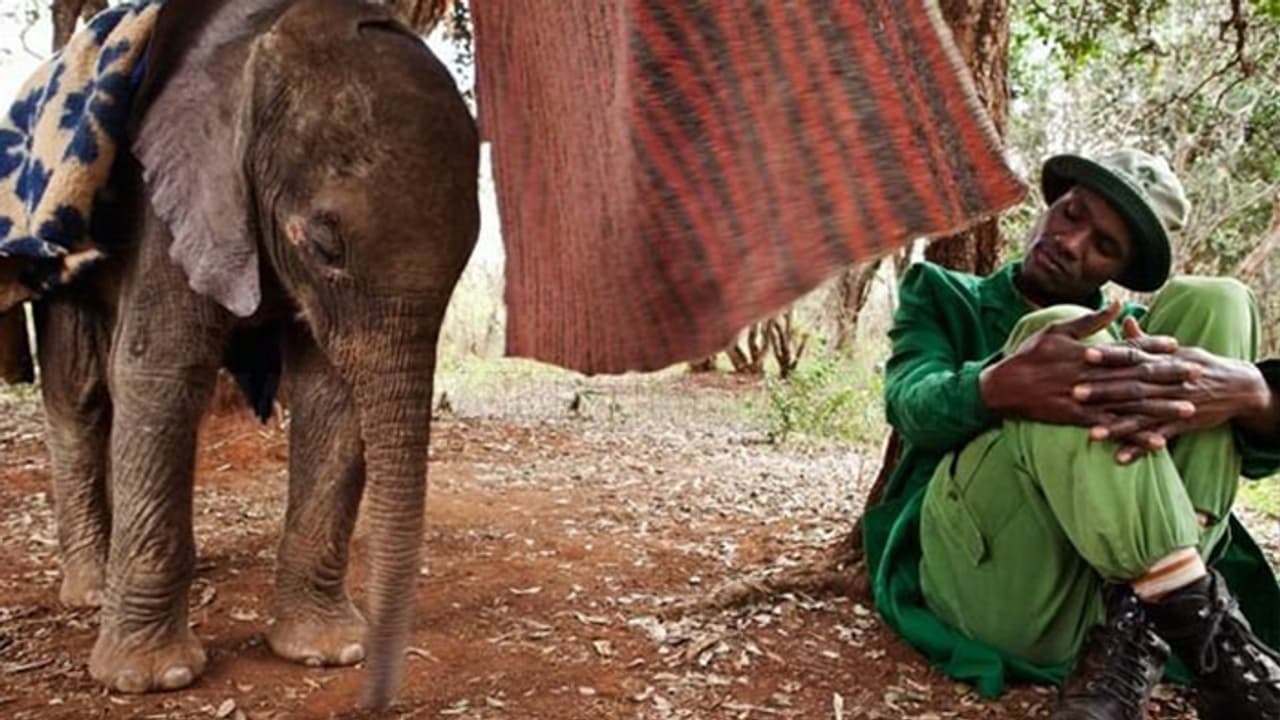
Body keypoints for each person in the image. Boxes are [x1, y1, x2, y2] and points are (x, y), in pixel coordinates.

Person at [864, 148, 1280, 720]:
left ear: (1119, 270)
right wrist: (996, 385)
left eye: (1105, 246)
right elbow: (910, 404)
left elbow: (1246, 457)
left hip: (1101, 597)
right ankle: (1202, 627)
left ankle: (1146, 615)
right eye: (1072, 213)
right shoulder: (943, 292)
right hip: (1001, 575)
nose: (1071, 242)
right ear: (1051, 204)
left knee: (1219, 301)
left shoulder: (1141, 335)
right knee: (1058, 333)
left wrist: (1254, 392)